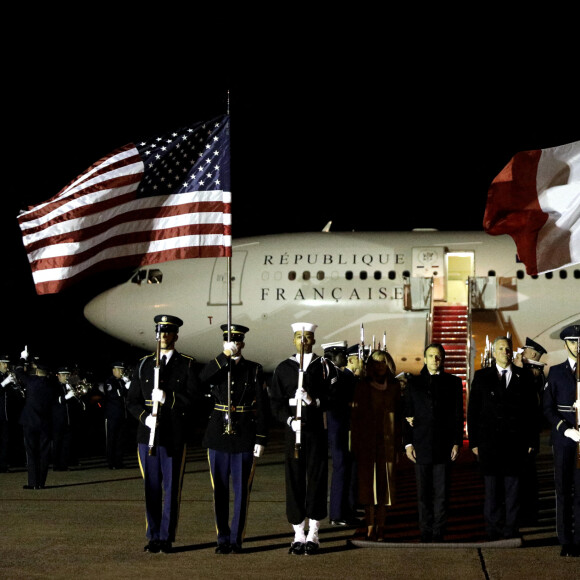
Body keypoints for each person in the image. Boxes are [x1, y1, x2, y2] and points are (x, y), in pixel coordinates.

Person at [126, 314, 199, 554]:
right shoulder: (144, 364)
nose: (163, 336)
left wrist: (169, 399)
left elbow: (193, 400)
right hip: (147, 436)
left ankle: (166, 536)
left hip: (173, 436)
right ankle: (153, 535)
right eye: (160, 331)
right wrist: (145, 417)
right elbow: (132, 401)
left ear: (176, 335)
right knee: (151, 487)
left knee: (171, 488)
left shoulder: (186, 364)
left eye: (168, 332)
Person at [198, 323, 270, 554]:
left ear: (243, 344)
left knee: (241, 491)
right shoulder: (218, 366)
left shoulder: (254, 369)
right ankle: (222, 538)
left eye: (237, 341)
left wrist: (261, 438)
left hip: (244, 435)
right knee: (219, 490)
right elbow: (202, 378)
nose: (233, 345)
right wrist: (224, 356)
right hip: (218, 435)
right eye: (229, 341)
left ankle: (236, 539)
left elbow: (263, 407)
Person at [269, 322, 334, 555]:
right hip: (293, 432)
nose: (303, 341)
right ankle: (297, 532)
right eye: (299, 337)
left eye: (307, 337)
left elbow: (333, 397)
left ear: (314, 340)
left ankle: (314, 532)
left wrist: (312, 401)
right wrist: (288, 420)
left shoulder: (324, 366)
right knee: (294, 480)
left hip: (315, 431)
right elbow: (275, 402)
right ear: (294, 340)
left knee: (316, 479)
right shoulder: (284, 367)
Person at [467, 336, 538, 541]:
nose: (505, 353)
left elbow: (532, 412)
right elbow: (473, 412)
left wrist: (532, 441)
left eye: (507, 349)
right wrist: (474, 443)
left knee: (513, 491)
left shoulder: (524, 377)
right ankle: (492, 529)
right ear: (494, 352)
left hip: (515, 445)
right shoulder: (482, 377)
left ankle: (511, 529)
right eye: (501, 349)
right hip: (489, 445)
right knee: (492, 492)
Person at [402, 343, 464, 542]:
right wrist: (408, 444)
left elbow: (457, 415)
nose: (434, 360)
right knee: (423, 494)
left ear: (442, 359)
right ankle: (425, 531)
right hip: (421, 445)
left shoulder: (453, 382)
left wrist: (457, 442)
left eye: (438, 356)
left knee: (442, 493)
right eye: (431, 356)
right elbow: (407, 415)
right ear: (425, 358)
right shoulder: (414, 383)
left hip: (444, 445)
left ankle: (439, 531)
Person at [351, 349, 402, 541]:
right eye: (376, 362)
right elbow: (355, 418)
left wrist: (399, 445)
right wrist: (355, 445)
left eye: (383, 362)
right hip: (367, 443)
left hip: (387, 442)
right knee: (367, 487)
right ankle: (370, 527)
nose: (380, 366)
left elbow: (398, 417)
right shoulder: (362, 387)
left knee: (385, 487)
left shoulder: (394, 386)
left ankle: (382, 526)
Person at [543, 324, 580, 557]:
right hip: (565, 439)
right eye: (574, 341)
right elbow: (547, 408)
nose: (578, 346)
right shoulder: (556, 372)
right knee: (564, 490)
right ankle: (566, 540)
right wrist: (565, 429)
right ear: (566, 344)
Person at [322, 341, 358, 527]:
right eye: (342, 354)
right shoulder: (331, 374)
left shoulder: (339, 374)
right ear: (332, 355)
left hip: (342, 425)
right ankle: (337, 514)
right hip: (336, 426)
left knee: (347, 467)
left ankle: (346, 509)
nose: (346, 357)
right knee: (341, 468)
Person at [513, 337, 547, 525]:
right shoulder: (529, 372)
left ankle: (527, 515)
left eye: (524, 350)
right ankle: (526, 514)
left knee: (526, 479)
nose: (521, 353)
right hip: (523, 436)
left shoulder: (532, 373)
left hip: (526, 436)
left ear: (532, 354)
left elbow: (531, 410)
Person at [15, 349, 58, 490]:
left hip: (30, 421)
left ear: (38, 370)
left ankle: (33, 483)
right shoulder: (52, 385)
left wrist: (22, 358)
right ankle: (41, 483)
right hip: (45, 423)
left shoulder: (32, 382)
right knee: (44, 453)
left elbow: (19, 371)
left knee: (32, 452)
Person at [99, 361, 131, 469]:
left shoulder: (121, 381)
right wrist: (125, 388)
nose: (121, 372)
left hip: (122, 415)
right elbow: (112, 395)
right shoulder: (109, 382)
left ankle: (119, 461)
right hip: (112, 415)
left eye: (122, 369)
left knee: (120, 439)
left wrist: (128, 386)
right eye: (119, 369)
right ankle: (111, 462)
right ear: (114, 370)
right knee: (111, 439)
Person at [0, 354, 24, 472]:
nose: (6, 365)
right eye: (3, 363)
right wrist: (4, 383)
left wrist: (15, 385)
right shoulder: (3, 377)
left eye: (7, 363)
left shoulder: (7, 376)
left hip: (7, 413)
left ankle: (3, 465)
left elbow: (16, 396)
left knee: (5, 439)